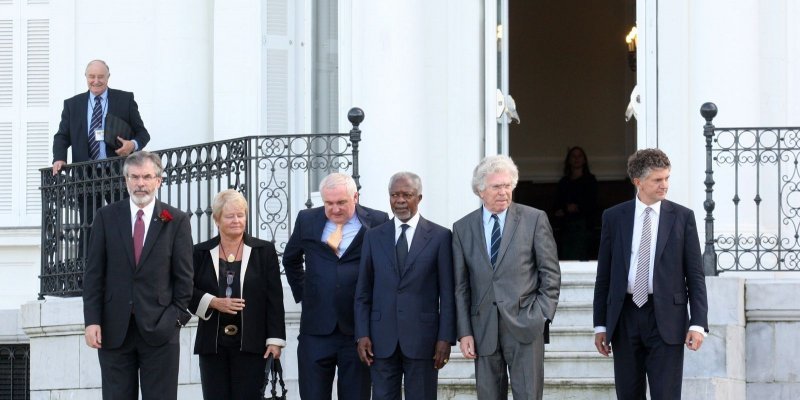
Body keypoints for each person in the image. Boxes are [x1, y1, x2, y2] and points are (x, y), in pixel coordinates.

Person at [592, 148, 709, 399]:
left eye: (667, 178)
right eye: (658, 180)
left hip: (667, 318)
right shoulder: (614, 217)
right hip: (624, 317)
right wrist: (600, 324)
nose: (664, 185)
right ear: (638, 182)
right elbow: (604, 276)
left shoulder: (682, 217)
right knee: (628, 394)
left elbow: (695, 275)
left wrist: (698, 323)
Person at [82, 151, 193, 400]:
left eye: (146, 177)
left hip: (160, 331)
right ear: (126, 180)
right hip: (114, 331)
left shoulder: (176, 221)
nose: (140, 183)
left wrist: (173, 320)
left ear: (159, 180)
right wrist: (92, 321)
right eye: (134, 177)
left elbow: (184, 279)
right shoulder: (106, 217)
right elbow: (94, 275)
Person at [453, 155, 561, 400]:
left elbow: (550, 273)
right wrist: (465, 332)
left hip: (526, 325)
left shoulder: (534, 219)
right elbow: (461, 286)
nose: (503, 192)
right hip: (483, 329)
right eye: (496, 187)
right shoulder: (462, 228)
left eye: (507, 185)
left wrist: (542, 313)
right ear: (480, 191)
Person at [283, 172, 389, 400]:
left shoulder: (378, 221)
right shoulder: (307, 219)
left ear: (355, 197)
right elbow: (291, 259)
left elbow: (385, 268)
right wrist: (304, 293)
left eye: (341, 202)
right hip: (316, 330)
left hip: (358, 332)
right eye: (328, 203)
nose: (335, 209)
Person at [354, 172, 455, 400]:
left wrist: (445, 338)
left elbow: (448, 293)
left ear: (419, 198)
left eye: (406, 195)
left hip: (424, 340)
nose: (399, 200)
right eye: (394, 195)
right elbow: (363, 291)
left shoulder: (440, 237)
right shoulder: (373, 237)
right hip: (380, 340)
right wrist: (361, 334)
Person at [189, 189, 286, 399]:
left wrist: (275, 339)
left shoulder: (264, 251)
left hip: (253, 343)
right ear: (217, 219)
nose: (236, 220)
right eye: (230, 216)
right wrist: (212, 302)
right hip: (212, 344)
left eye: (240, 215)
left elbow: (274, 298)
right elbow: (186, 291)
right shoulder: (200, 253)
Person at [52, 59, 150, 175]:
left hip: (117, 174)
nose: (96, 81)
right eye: (92, 77)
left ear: (108, 77)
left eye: (101, 77)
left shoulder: (125, 100)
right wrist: (59, 158)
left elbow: (143, 134)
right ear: (86, 77)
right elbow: (62, 136)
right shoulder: (72, 105)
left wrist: (132, 145)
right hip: (83, 176)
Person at [553, 146, 598, 260]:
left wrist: (577, 208)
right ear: (569, 160)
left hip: (584, 226)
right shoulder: (564, 182)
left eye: (579, 156)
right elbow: (557, 205)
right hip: (566, 226)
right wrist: (566, 209)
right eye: (573, 156)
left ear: (584, 160)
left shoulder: (590, 181)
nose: (576, 159)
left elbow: (593, 204)